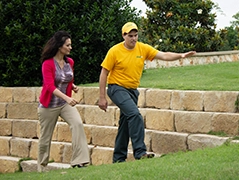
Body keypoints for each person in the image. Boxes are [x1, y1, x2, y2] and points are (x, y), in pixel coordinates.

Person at [98, 22, 196, 163]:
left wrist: (181, 55)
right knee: (135, 115)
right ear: (123, 35)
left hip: (132, 91)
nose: (133, 38)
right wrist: (102, 97)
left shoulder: (142, 48)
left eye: (135, 35)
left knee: (125, 123)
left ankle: (118, 159)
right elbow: (104, 73)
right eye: (130, 36)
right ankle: (140, 152)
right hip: (116, 88)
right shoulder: (115, 51)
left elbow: (164, 55)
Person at [37, 30, 89, 172]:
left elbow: (65, 77)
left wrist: (72, 86)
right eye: (68, 45)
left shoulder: (69, 62)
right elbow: (49, 85)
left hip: (64, 104)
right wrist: (67, 97)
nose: (70, 48)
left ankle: (80, 161)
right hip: (48, 106)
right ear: (60, 46)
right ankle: (41, 167)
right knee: (45, 137)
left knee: (77, 123)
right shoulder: (47, 64)